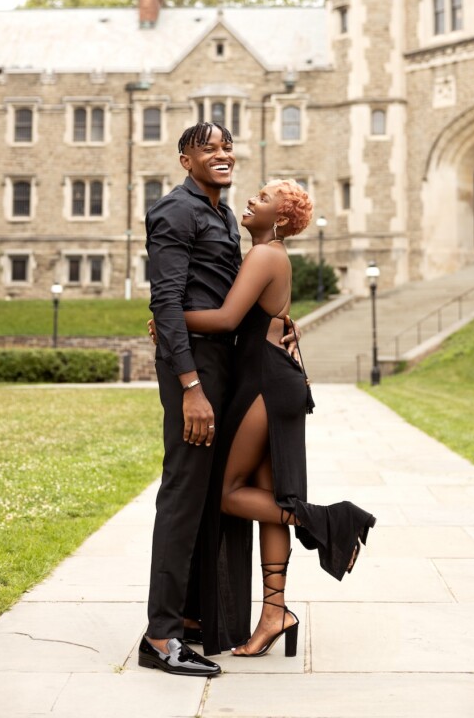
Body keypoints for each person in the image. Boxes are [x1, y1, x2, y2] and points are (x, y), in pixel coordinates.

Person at [180, 179, 376, 658]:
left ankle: (332, 521)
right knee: (266, 498)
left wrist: (171, 319)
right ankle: (274, 612)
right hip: (269, 380)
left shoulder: (266, 255)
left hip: (266, 385)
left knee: (228, 495)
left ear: (281, 220)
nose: (251, 200)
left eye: (264, 199)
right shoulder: (266, 257)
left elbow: (226, 320)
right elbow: (265, 319)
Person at [138, 121, 298, 679]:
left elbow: (232, 296)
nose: (221, 153)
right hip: (195, 368)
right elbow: (167, 298)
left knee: (209, 496)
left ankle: (194, 618)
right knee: (183, 495)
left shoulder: (224, 215)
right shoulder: (174, 212)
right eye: (207, 147)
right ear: (186, 160)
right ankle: (161, 636)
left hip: (225, 365)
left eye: (227, 145)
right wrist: (190, 388)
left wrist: (280, 320)